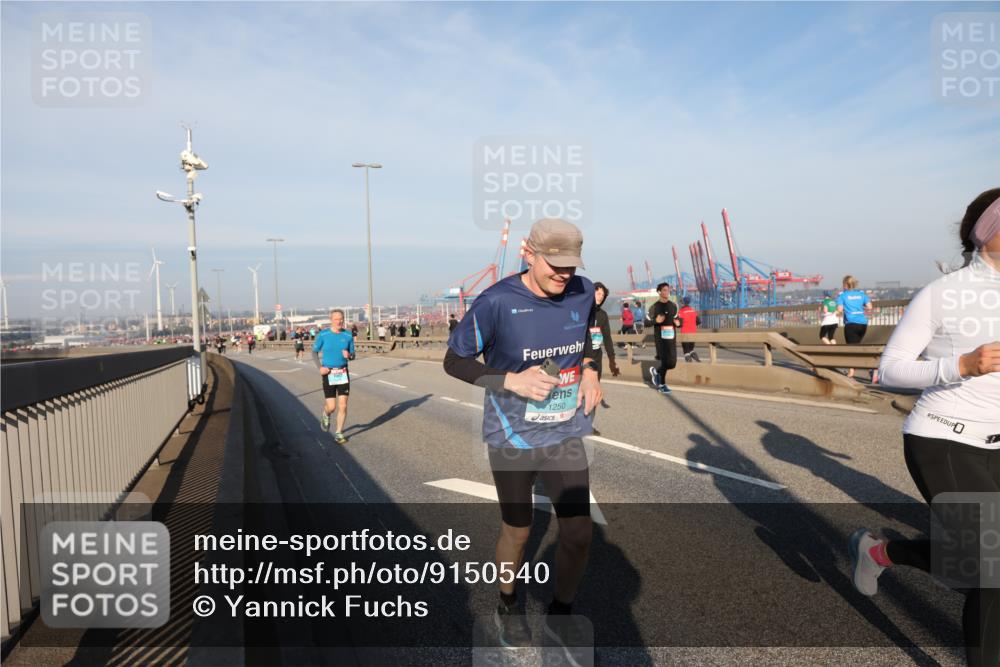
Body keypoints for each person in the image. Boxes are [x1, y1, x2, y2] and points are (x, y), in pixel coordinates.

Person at [849, 188, 1000, 667]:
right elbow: (889, 370)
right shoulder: (944, 293)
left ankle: (882, 553)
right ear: (987, 233)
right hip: (944, 439)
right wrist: (961, 365)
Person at [444, 218, 602, 654]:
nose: (564, 275)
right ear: (528, 254)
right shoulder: (496, 301)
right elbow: (454, 361)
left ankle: (561, 612)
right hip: (512, 437)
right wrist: (510, 380)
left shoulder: (582, 291)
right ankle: (508, 602)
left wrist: (590, 371)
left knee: (579, 533)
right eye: (555, 265)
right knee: (518, 531)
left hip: (564, 432)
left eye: (571, 266)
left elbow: (589, 336)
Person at [313, 309, 356, 445]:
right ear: (331, 320)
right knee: (331, 407)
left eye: (341, 318)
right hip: (328, 373)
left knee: (343, 405)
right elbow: (314, 352)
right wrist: (320, 368)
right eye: (336, 319)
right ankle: (326, 414)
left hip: (343, 373)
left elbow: (353, 355)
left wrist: (349, 355)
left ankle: (338, 432)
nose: (339, 321)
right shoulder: (323, 334)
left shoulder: (348, 335)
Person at [590, 282, 620, 436]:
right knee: (577, 393)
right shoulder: (582, 311)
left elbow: (607, 338)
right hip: (580, 360)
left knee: (595, 393)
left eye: (603, 295)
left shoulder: (602, 315)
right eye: (598, 293)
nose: (600, 297)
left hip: (596, 359)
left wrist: (612, 359)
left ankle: (588, 425)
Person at [836, 275, 873, 379]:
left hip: (851, 324)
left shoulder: (842, 296)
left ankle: (852, 372)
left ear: (845, 284)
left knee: (851, 349)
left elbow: (839, 310)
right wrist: (860, 307)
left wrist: (838, 312)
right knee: (857, 347)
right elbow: (870, 307)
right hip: (863, 324)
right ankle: (870, 368)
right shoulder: (861, 294)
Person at [648, 282, 680, 393]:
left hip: (671, 339)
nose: (667, 292)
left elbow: (678, 319)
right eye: (665, 290)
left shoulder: (673, 306)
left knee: (672, 363)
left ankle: (656, 372)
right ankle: (662, 385)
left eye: (668, 290)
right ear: (659, 292)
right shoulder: (654, 307)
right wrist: (655, 321)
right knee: (665, 362)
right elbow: (646, 322)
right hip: (660, 340)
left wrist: (678, 323)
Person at [677, 296, 701, 362]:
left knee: (686, 351)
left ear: (683, 303)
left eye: (681, 302)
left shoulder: (681, 311)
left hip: (685, 333)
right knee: (691, 349)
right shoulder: (693, 310)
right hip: (693, 332)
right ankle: (697, 359)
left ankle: (689, 363)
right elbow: (699, 321)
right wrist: (692, 324)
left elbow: (679, 324)